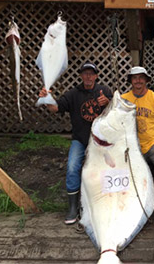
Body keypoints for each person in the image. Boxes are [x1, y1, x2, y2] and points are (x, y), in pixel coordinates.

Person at [39, 62, 112, 225]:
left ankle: (103, 203)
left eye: (91, 74)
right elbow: (55, 108)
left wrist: (108, 103)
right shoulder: (73, 94)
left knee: (106, 169)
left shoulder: (104, 91)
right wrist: (46, 99)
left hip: (100, 142)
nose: (88, 76)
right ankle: (72, 207)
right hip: (80, 139)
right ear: (81, 76)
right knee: (72, 167)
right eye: (85, 73)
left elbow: (116, 112)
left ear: (96, 76)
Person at [121, 66, 154, 220]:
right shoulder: (123, 99)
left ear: (146, 80)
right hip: (131, 144)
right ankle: (134, 203)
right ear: (130, 81)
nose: (138, 80)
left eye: (141, 77)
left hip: (153, 141)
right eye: (134, 78)